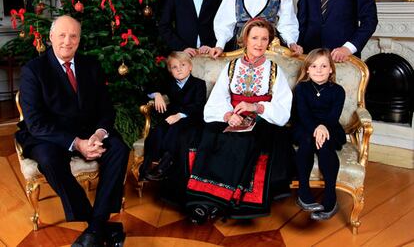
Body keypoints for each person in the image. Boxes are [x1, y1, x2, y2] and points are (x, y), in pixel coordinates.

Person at [15, 15, 130, 247]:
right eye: (62, 35)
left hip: (89, 131)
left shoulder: (91, 65)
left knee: (118, 148)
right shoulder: (33, 70)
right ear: (50, 37)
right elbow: (36, 123)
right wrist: (77, 143)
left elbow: (106, 109)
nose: (67, 41)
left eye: (73, 36)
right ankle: (97, 224)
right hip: (49, 134)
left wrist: (98, 135)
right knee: (48, 158)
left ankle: (95, 229)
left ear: (79, 39)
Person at [187, 18, 294, 223]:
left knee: (243, 141)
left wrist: (256, 107)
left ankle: (227, 202)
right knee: (211, 135)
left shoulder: (274, 70)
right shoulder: (231, 67)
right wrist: (229, 115)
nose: (259, 43)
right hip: (233, 117)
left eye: (264, 39)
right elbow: (218, 99)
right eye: (254, 37)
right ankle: (202, 201)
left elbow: (283, 108)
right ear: (245, 39)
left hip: (262, 120)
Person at [292, 48, 346, 221]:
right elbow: (303, 114)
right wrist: (316, 128)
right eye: (314, 66)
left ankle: (330, 196)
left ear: (331, 69)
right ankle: (304, 192)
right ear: (307, 69)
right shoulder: (301, 88)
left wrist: (323, 128)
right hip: (305, 126)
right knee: (308, 141)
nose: (319, 70)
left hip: (330, 127)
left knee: (324, 146)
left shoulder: (338, 91)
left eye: (324, 66)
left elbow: (333, 116)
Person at [140, 51, 206, 187]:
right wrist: (157, 94)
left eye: (183, 65)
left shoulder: (199, 84)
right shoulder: (169, 83)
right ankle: (146, 166)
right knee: (157, 131)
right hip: (172, 117)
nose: (179, 69)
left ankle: (164, 165)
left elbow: (198, 106)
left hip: (191, 119)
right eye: (175, 67)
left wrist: (179, 115)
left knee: (175, 133)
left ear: (190, 67)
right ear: (171, 71)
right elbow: (147, 86)